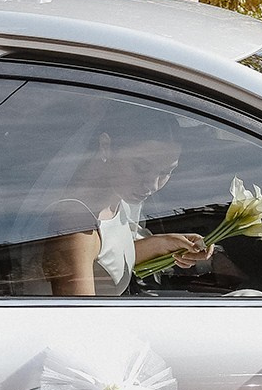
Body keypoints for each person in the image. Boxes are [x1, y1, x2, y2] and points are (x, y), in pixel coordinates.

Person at [31, 100, 206, 297]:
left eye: (166, 171)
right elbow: (79, 319)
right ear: (106, 146)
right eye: (140, 168)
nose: (153, 184)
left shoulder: (119, 197)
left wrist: (165, 243)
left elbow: (107, 259)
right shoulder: (76, 226)